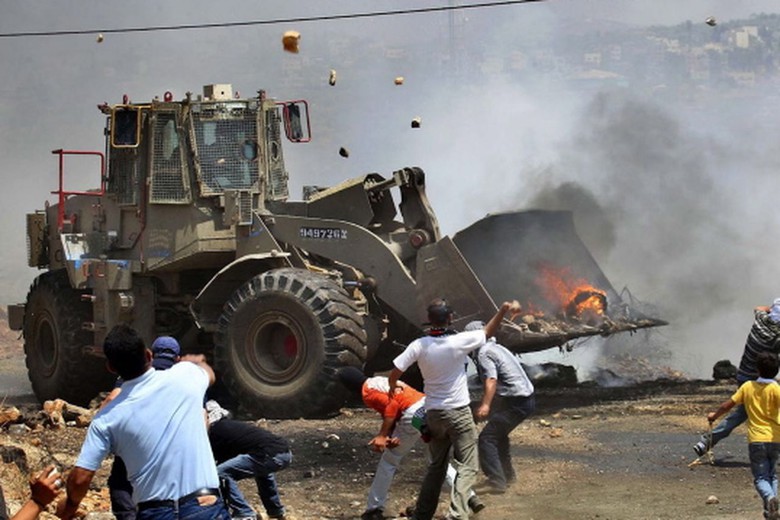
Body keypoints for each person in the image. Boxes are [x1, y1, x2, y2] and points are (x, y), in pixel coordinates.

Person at [55, 324, 230, 520]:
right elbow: (209, 374)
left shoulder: (106, 419)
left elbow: (81, 479)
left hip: (156, 513)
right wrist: (196, 361)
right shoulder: (186, 375)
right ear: (148, 355)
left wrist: (70, 505)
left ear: (111, 368)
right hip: (205, 505)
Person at [389, 298, 522, 520]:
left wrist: (393, 387)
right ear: (450, 319)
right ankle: (457, 514)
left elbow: (395, 370)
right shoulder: (459, 341)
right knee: (468, 466)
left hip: (433, 415)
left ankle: (422, 514)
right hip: (458, 414)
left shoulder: (418, 345)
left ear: (429, 320)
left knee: (436, 467)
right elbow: (488, 332)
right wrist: (503, 310)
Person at [336, 367, 484, 520]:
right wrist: (392, 434)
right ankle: (469, 497)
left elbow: (392, 407)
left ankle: (374, 509)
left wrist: (382, 435)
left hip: (412, 414)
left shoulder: (367, 391)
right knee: (436, 460)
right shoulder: (379, 381)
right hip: (426, 407)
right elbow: (392, 409)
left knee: (389, 461)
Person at [106, 335, 183, 520]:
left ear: (151, 354)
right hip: (174, 442)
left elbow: (112, 399)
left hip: (137, 437)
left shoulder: (140, 372)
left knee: (120, 482)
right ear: (178, 357)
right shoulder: (183, 375)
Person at [694, 299, 780, 456]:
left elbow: (759, 307)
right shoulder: (776, 337)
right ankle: (706, 441)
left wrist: (772, 309)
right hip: (760, 381)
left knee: (744, 412)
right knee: (760, 412)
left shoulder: (761, 320)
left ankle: (706, 442)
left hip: (744, 376)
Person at [706, 351, 780, 520]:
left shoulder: (748, 387)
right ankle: (771, 511)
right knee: (772, 474)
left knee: (760, 477)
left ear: (757, 370)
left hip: (756, 440)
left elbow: (727, 405)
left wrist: (714, 416)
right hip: (776, 438)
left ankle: (770, 499)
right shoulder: (776, 389)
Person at [465, 320, 535, 494]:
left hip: (517, 403)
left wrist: (485, 405)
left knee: (487, 439)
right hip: (524, 399)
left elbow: (491, 380)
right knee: (499, 436)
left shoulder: (483, 353)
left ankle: (496, 481)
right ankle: (507, 475)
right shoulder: (497, 347)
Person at [207, 409, 294, 520]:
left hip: (269, 454)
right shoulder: (228, 426)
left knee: (220, 473)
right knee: (263, 473)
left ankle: (244, 513)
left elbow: (215, 464)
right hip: (284, 453)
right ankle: (275, 511)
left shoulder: (215, 432)